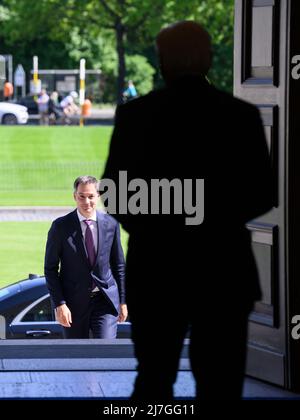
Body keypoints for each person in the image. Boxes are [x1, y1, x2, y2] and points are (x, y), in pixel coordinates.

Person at [101, 21, 273, 400]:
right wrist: (214, 221)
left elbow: (114, 194)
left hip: (158, 265)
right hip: (224, 264)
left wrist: (157, 226)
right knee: (222, 383)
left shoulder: (137, 116)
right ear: (209, 58)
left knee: (153, 379)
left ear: (162, 62)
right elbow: (263, 194)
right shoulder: (240, 115)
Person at [44, 175, 128, 339]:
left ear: (98, 196)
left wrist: (123, 301)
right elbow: (50, 269)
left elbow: (119, 265)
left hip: (105, 301)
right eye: (81, 196)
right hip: (72, 305)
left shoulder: (111, 223)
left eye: (91, 196)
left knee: (104, 353)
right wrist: (60, 304)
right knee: (77, 357)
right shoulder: (60, 227)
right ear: (75, 196)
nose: (86, 201)